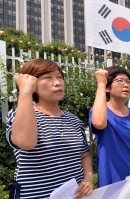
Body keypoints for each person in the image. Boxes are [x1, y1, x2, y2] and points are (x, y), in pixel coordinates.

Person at [5, 59, 93, 199]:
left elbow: (85, 155)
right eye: (48, 78)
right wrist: (25, 91)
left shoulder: (74, 120)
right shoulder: (18, 115)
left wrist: (88, 179)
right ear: (33, 84)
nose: (57, 82)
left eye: (59, 77)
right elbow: (26, 142)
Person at [88, 66, 130, 188]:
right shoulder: (100, 111)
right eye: (120, 81)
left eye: (128, 81)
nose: (126, 85)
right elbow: (98, 123)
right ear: (108, 87)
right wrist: (101, 84)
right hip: (112, 177)